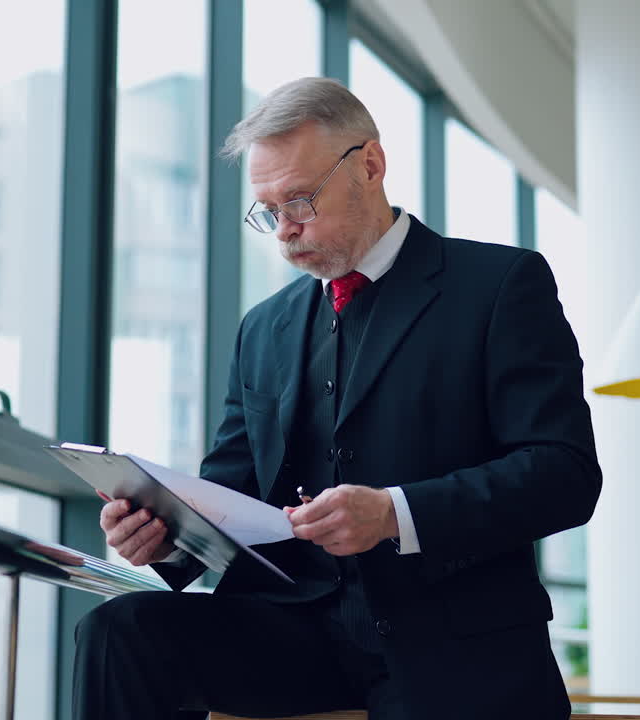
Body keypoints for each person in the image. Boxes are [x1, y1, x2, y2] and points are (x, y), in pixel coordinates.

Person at [74, 77, 601, 720]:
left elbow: (565, 473)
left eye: (300, 200)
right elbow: (232, 493)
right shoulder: (262, 328)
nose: (284, 231)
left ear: (371, 165)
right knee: (118, 632)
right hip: (288, 634)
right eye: (268, 211)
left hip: (451, 641)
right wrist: (168, 539)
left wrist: (393, 513)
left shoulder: (500, 285)